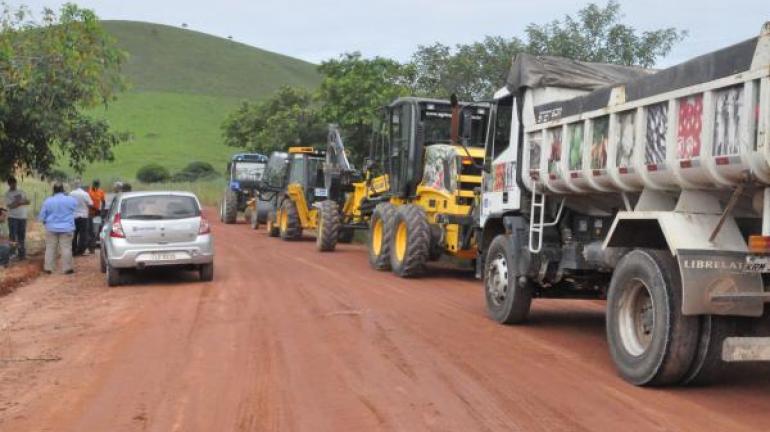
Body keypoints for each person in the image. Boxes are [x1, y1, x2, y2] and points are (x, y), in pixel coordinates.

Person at [38, 182, 77, 275]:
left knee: (50, 248)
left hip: (51, 227)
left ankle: (48, 268)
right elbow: (75, 208)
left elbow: (42, 216)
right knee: (66, 248)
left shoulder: (48, 201)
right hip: (66, 227)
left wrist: (46, 222)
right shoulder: (70, 200)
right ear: (63, 190)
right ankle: (67, 268)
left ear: (53, 190)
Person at [4, 176, 30, 260]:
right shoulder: (7, 194)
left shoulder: (21, 191)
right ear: (9, 184)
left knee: (21, 236)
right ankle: (12, 254)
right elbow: (10, 206)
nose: (13, 185)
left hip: (23, 217)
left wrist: (19, 202)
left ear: (16, 183)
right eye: (11, 184)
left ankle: (22, 254)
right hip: (12, 217)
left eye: (14, 183)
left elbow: (27, 201)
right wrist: (20, 202)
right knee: (12, 236)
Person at [69, 182, 93, 256]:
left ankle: (73, 249)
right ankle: (81, 250)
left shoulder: (71, 193)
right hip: (83, 216)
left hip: (73, 216)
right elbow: (91, 204)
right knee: (83, 234)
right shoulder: (85, 194)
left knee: (74, 233)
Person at [87, 179, 105, 253]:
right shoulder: (88, 192)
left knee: (95, 231)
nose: (96, 186)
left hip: (97, 215)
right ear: (92, 184)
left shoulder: (101, 192)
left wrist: (102, 211)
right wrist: (94, 209)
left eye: (97, 184)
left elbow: (103, 202)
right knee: (89, 231)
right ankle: (90, 247)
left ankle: (92, 248)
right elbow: (87, 203)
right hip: (89, 214)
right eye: (95, 184)